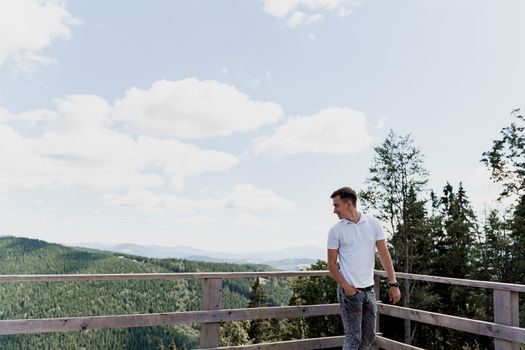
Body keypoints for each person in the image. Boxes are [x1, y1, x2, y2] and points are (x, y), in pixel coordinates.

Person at [327, 187, 401, 350]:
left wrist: (393, 283)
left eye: (336, 205)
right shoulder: (336, 230)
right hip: (350, 293)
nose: (334, 210)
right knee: (353, 338)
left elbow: (384, 254)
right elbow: (331, 265)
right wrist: (347, 288)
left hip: (369, 291)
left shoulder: (373, 223)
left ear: (348, 204)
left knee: (368, 337)